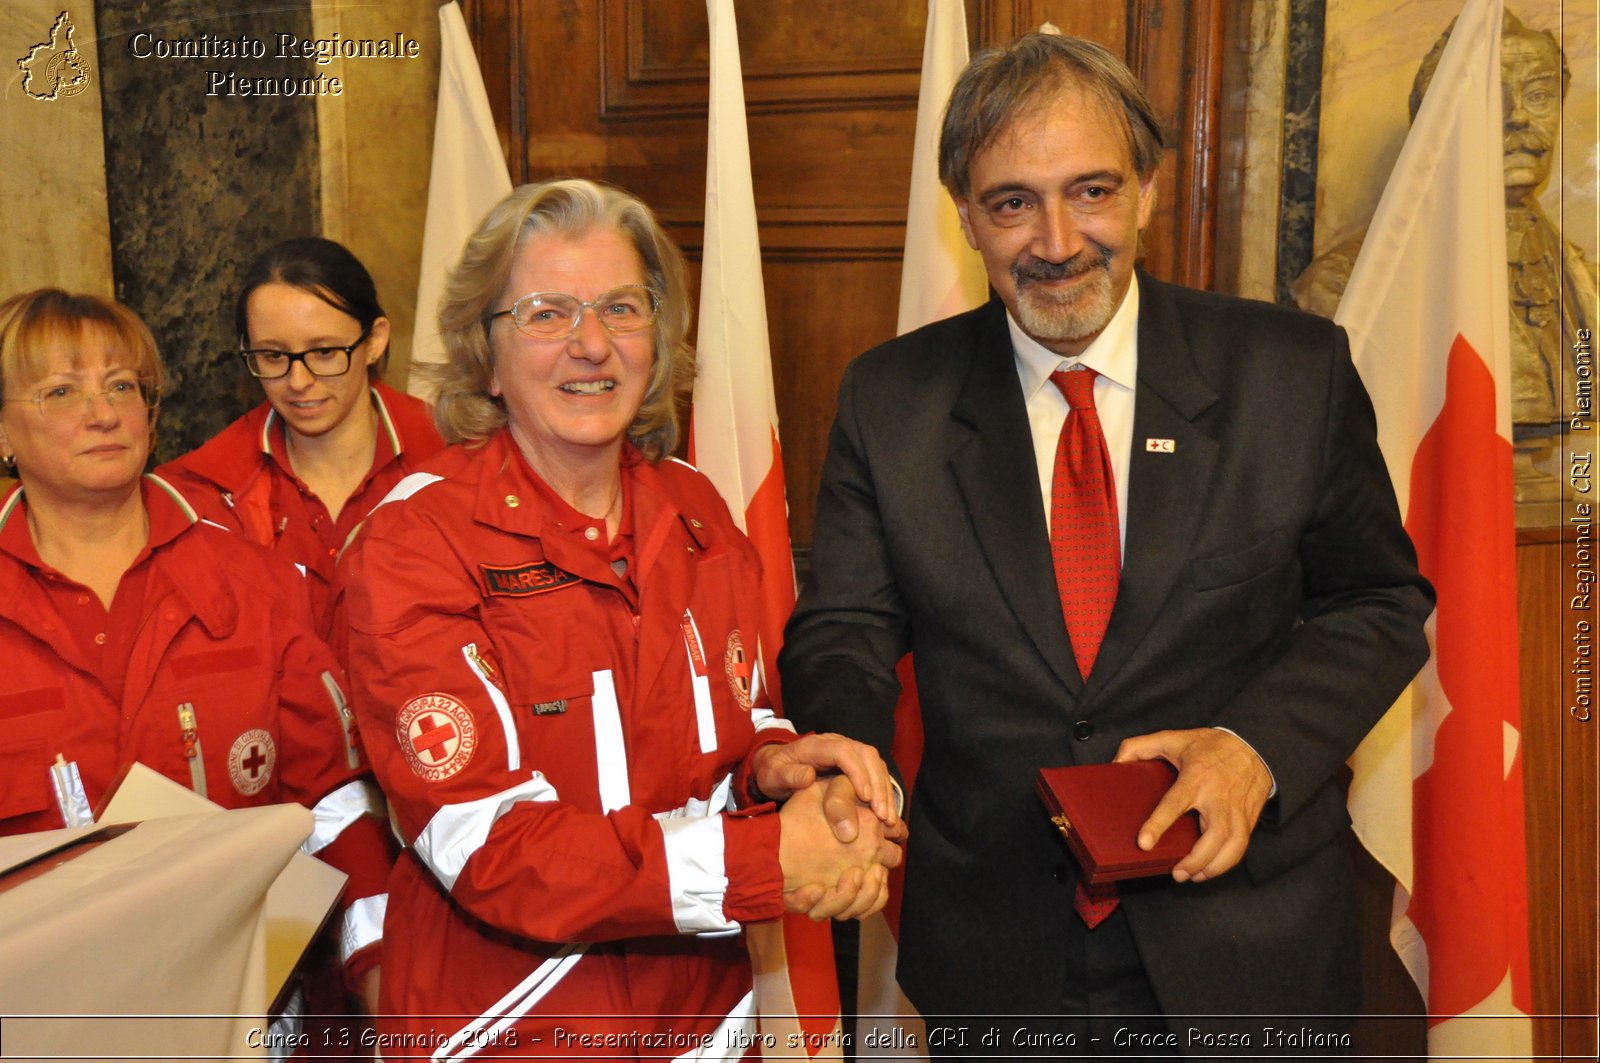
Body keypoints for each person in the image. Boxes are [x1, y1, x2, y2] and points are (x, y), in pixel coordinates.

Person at [779, 33, 1435, 1051]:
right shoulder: (889, 398)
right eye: (1012, 203)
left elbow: (1379, 605)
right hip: (996, 945)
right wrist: (842, 759)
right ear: (966, 216)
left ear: (1148, 190)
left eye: (1090, 191)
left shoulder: (1288, 373)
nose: (1055, 239)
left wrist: (1256, 747)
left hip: (1246, 939)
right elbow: (847, 628)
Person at [339, 178, 904, 1056]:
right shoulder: (413, 541)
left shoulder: (696, 508)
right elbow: (487, 843)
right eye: (545, 312)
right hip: (513, 1027)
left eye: (621, 307)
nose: (591, 343)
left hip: (710, 1017)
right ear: (483, 353)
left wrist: (781, 767)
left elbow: (732, 715)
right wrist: (766, 861)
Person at [0, 288, 390, 1004]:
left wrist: (377, 979)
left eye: (123, 385)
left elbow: (335, 800)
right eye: (61, 390)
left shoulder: (252, 583)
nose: (103, 411)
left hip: (250, 1004)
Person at [1292, 9, 1595, 516]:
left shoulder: (1587, 284)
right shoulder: (1345, 283)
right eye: (1490, 96)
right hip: (1428, 516)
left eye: (1539, 95)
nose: (1519, 116)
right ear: (1438, 121)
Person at [159, 237, 444, 637]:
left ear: (375, 341)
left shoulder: (451, 458)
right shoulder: (203, 491)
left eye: (324, 352)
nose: (299, 381)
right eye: (273, 356)